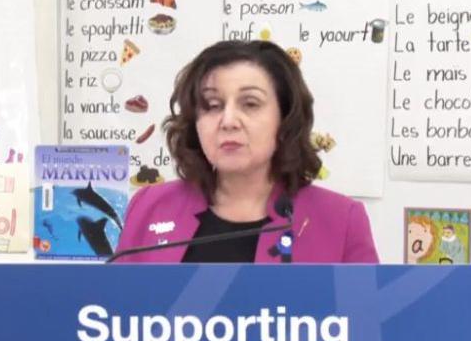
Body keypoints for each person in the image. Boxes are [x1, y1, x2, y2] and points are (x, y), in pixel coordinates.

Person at [115, 40, 379, 263]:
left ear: (285, 117)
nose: (228, 121)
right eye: (212, 105)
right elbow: (115, 304)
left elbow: (365, 310)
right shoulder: (149, 205)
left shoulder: (341, 220)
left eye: (250, 104)